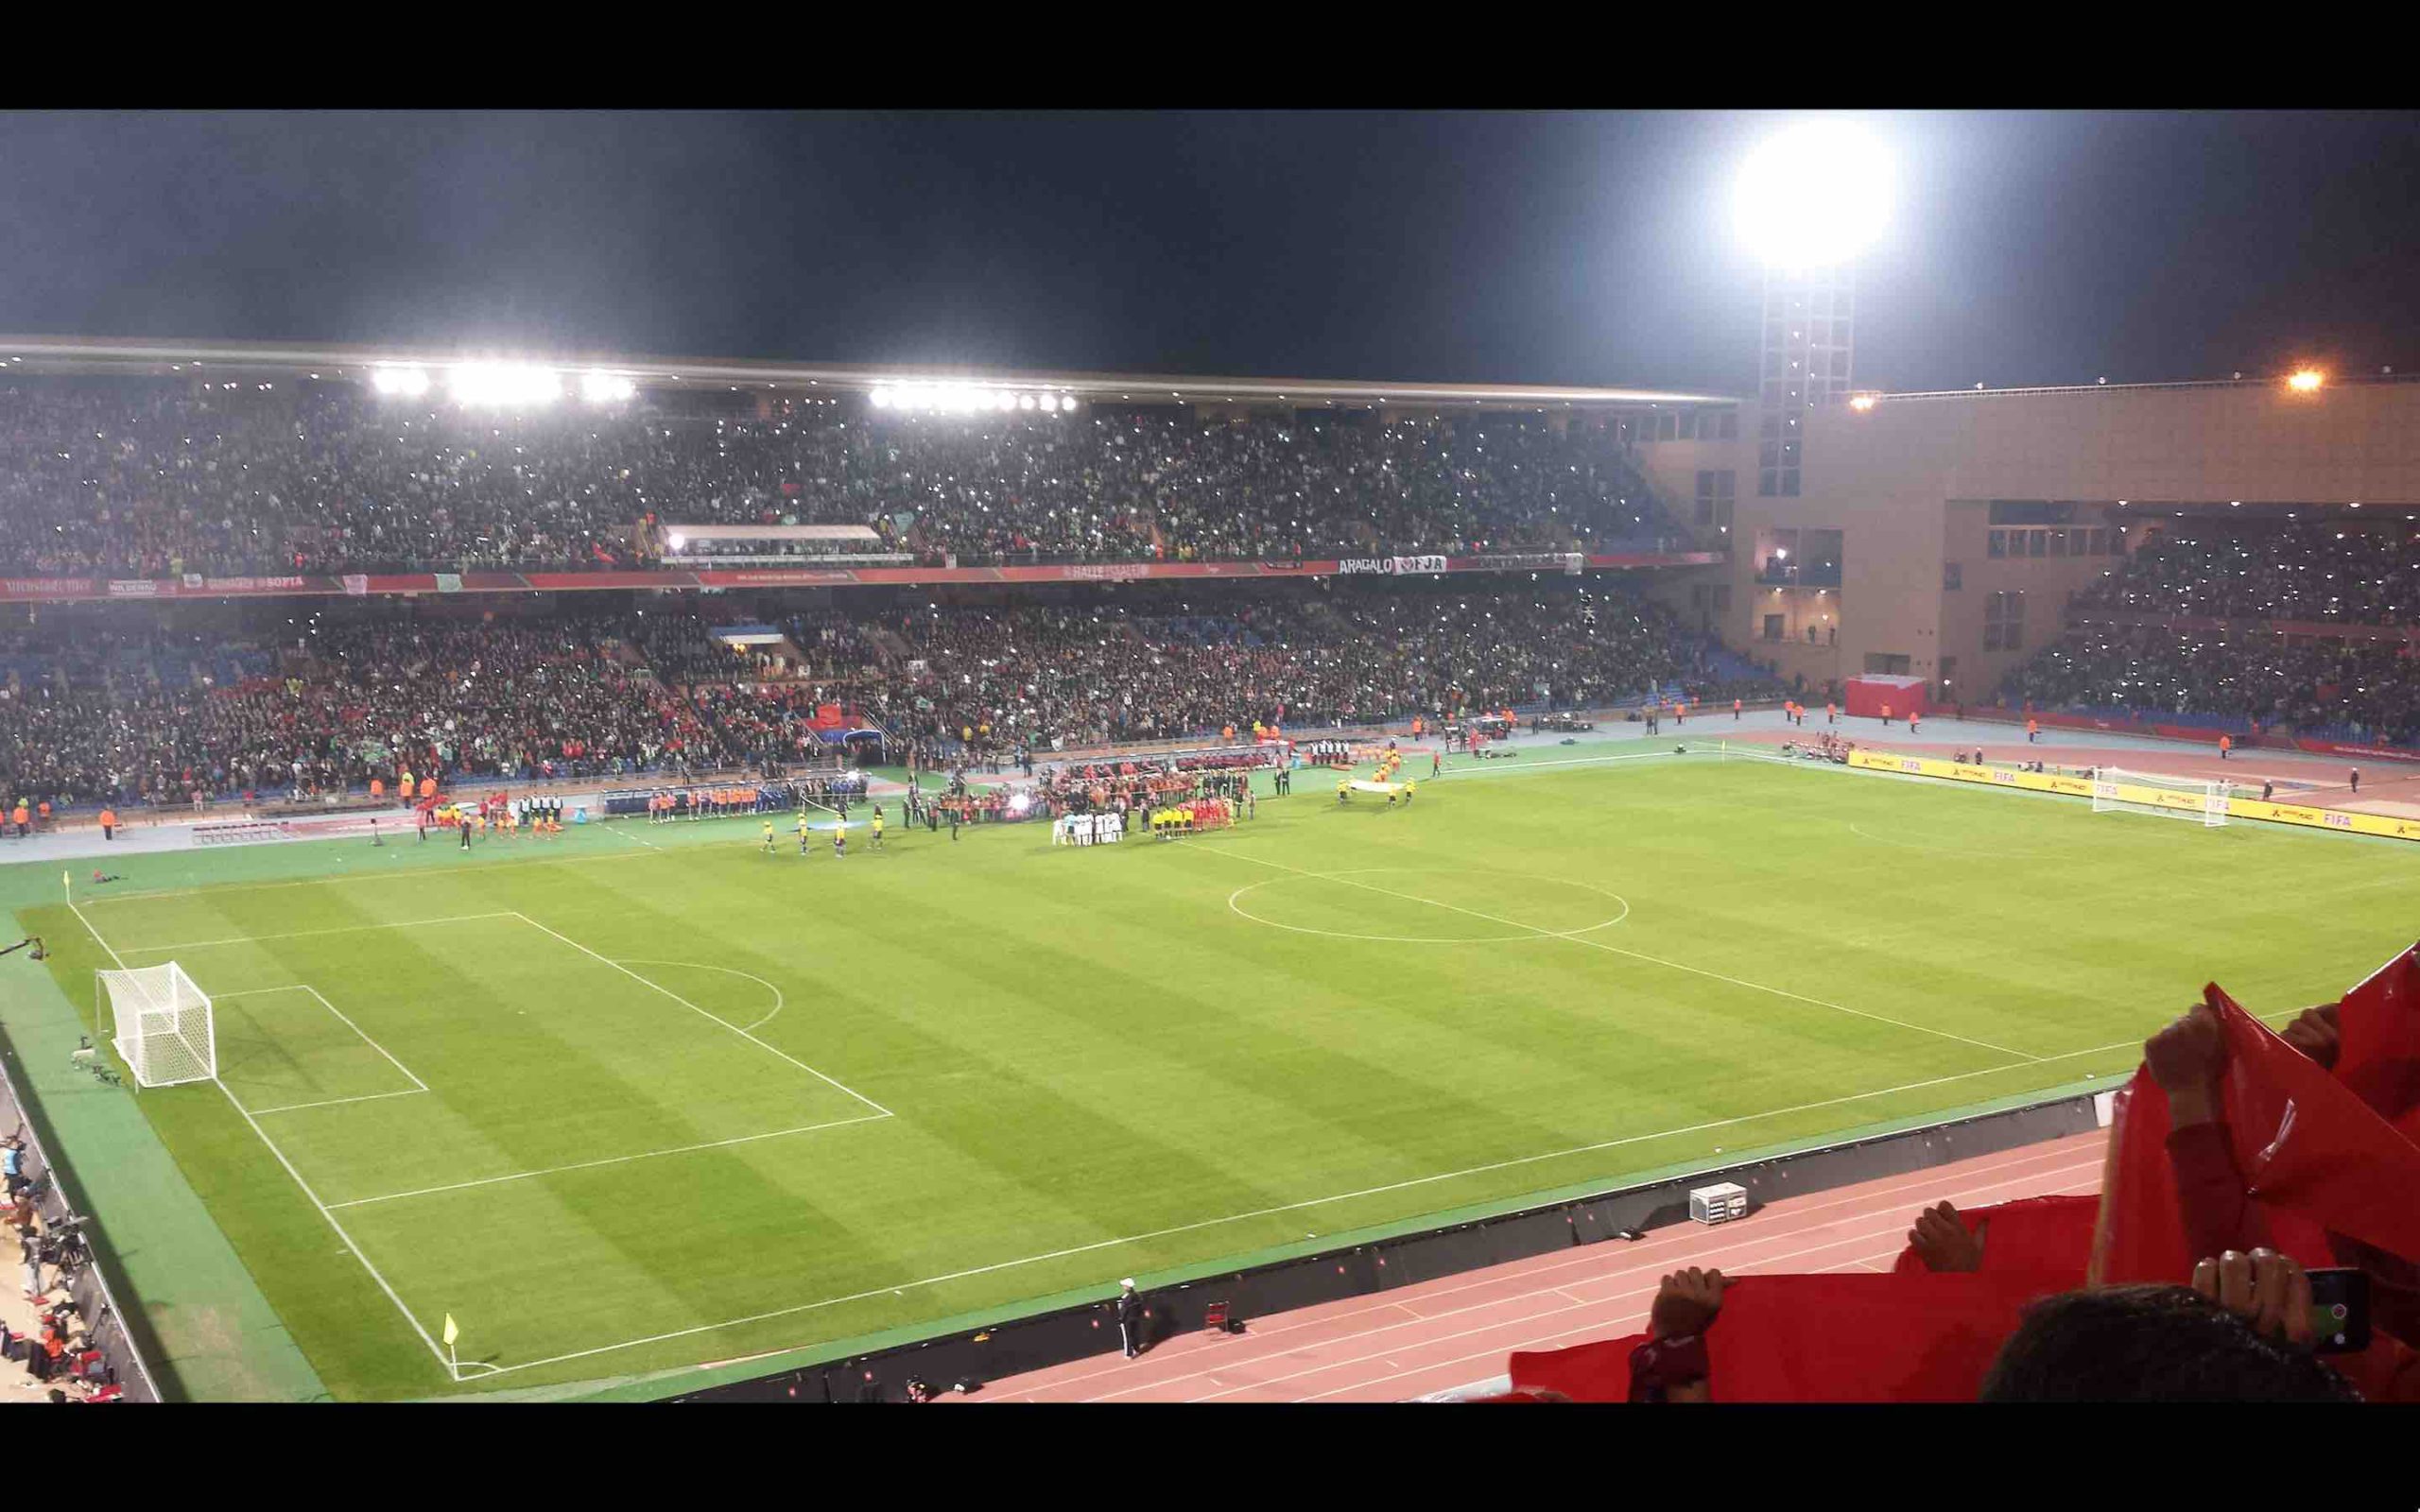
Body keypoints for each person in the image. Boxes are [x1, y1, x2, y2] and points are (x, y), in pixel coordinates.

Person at [1115, 1279, 1144, 1359]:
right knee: (1135, 1334)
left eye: (1124, 1286)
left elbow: (1124, 1310)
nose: (1123, 1287)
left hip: (1127, 1320)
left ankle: (1128, 1354)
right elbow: (1141, 1306)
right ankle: (1136, 1349)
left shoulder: (1126, 1299)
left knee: (1127, 1337)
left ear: (1128, 1287)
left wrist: (1120, 1319)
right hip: (1136, 1318)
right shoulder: (1138, 1295)